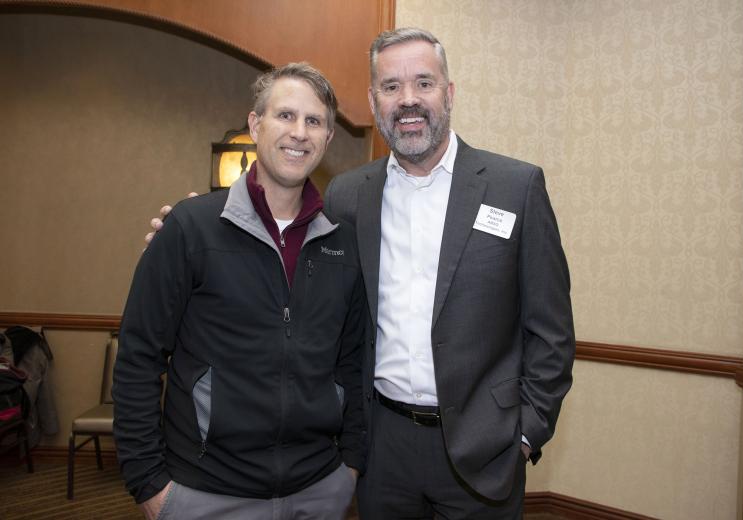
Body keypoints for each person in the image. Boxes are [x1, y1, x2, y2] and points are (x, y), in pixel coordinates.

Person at [147, 27, 574, 519]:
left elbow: (552, 330)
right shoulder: (348, 196)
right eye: (391, 87)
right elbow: (286, 243)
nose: (408, 100)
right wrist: (195, 224)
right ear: (373, 102)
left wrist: (523, 433)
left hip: (486, 448)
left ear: (449, 93)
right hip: (382, 449)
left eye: (424, 83)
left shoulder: (514, 187)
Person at [114, 62, 366, 520]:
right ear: (255, 124)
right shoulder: (190, 228)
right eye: (285, 115)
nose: (299, 132)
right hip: (204, 492)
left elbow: (351, 364)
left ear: (328, 139)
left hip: (318, 490)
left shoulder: (342, 243)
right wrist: (149, 483)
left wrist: (349, 467)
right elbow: (138, 356)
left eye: (314, 121)